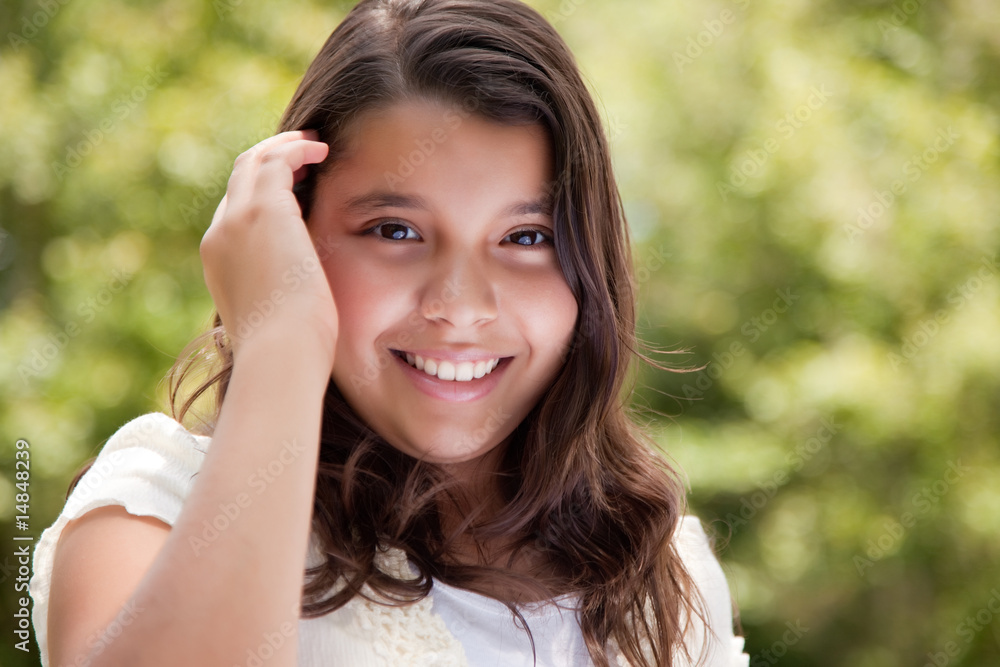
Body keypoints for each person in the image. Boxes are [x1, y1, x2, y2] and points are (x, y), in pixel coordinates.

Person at [29, 1, 750, 665]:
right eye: (395, 230)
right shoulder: (154, 507)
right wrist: (280, 341)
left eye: (526, 236)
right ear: (295, 231)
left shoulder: (662, 577)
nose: (461, 305)